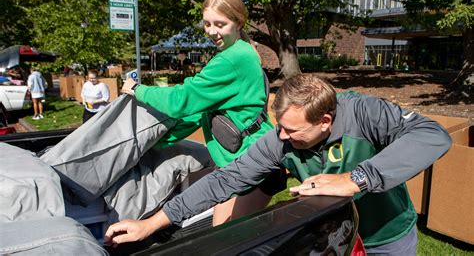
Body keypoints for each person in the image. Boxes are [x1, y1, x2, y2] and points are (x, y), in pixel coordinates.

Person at [106, 75, 452, 254]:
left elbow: (433, 136)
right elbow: (224, 180)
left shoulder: (366, 113)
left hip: (388, 235)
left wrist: (356, 178)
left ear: (325, 120)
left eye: (293, 129)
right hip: (333, 237)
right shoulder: (280, 140)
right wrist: (151, 225)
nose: (281, 136)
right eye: (280, 126)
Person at [120, 0, 277, 226]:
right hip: (235, 164)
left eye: (220, 24)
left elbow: (181, 99)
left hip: (253, 164)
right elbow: (200, 112)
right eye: (207, 24)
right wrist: (161, 140)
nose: (212, 31)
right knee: (222, 236)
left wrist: (138, 90)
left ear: (239, 22)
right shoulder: (241, 50)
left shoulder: (232, 59)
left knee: (231, 238)